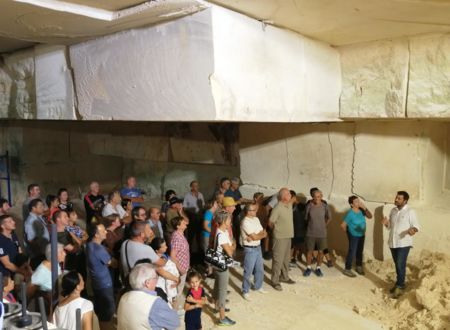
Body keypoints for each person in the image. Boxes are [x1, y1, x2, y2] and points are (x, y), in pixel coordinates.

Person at [117, 263, 180, 330]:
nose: (157, 280)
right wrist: (174, 308)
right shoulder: (155, 303)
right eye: (156, 277)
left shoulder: (124, 296)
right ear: (147, 283)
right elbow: (175, 323)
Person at [382, 191, 419, 299]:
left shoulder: (410, 211)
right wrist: (386, 223)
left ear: (405, 200)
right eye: (396, 197)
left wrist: (413, 230)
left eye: (399, 198)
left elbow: (416, 225)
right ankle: (399, 283)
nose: (396, 199)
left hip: (404, 243)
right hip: (393, 242)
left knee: (399, 263)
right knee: (397, 264)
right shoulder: (393, 211)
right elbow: (390, 227)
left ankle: (400, 286)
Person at [86, 222, 116, 330]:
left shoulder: (89, 245)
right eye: (103, 231)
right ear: (96, 235)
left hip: (96, 283)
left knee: (100, 311)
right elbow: (113, 263)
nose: (106, 232)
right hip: (104, 284)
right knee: (107, 313)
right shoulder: (99, 249)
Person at [268, 188, 295, 291]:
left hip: (288, 236)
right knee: (278, 260)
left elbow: (293, 200)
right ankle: (275, 281)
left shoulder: (289, 205)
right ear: (283, 197)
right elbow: (270, 222)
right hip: (279, 237)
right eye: (288, 193)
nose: (290, 195)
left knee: (286, 259)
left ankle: (284, 277)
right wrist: (276, 230)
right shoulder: (277, 208)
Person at [212, 211, 236, 326]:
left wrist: (231, 244)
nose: (230, 221)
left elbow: (230, 245)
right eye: (229, 220)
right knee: (222, 291)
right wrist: (233, 245)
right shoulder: (222, 235)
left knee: (217, 286)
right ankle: (222, 317)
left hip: (217, 263)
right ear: (223, 221)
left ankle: (216, 307)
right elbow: (230, 251)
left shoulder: (223, 231)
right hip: (222, 265)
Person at [240, 203, 267, 300]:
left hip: (258, 247)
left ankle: (258, 286)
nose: (256, 211)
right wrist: (260, 236)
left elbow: (261, 233)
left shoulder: (256, 219)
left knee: (260, 269)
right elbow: (257, 236)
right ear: (248, 212)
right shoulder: (245, 222)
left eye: (255, 209)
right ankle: (245, 290)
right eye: (254, 210)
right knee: (248, 271)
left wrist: (257, 236)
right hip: (249, 249)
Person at [341, 196, 373, 277]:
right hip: (354, 235)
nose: (358, 202)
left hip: (361, 234)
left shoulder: (362, 210)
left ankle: (358, 266)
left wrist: (365, 208)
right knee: (352, 251)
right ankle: (347, 269)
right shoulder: (350, 213)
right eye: (356, 202)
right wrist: (349, 233)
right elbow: (343, 225)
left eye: (358, 201)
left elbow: (370, 216)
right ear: (352, 204)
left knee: (359, 250)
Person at [303, 189, 331, 277]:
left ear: (321, 197)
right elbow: (306, 218)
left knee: (321, 251)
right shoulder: (309, 206)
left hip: (322, 234)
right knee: (309, 251)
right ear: (312, 197)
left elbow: (329, 218)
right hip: (310, 233)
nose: (316, 199)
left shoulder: (325, 206)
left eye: (318, 197)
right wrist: (311, 225)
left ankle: (318, 268)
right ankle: (308, 268)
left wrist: (324, 225)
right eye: (315, 197)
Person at [150, 237, 179, 306]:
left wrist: (178, 279)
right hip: (161, 289)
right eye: (163, 246)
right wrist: (176, 279)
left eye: (165, 245)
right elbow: (163, 273)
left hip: (171, 284)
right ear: (157, 250)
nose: (166, 247)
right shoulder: (154, 260)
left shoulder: (164, 256)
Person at [170, 216, 190, 312]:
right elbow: (173, 256)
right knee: (177, 291)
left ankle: (176, 309)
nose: (185, 223)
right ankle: (174, 312)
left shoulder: (180, 234)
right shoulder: (177, 237)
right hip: (179, 269)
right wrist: (180, 269)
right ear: (178, 226)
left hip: (183, 266)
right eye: (183, 222)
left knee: (179, 290)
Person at [24, 199, 49, 267]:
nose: (43, 208)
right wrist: (41, 251)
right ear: (33, 208)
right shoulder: (31, 221)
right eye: (40, 206)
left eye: (43, 206)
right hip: (38, 254)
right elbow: (30, 240)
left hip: (43, 251)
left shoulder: (38, 217)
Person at [202, 200, 218, 277]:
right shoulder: (208, 213)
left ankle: (208, 269)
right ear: (213, 204)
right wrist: (213, 233)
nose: (217, 204)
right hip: (207, 236)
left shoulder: (211, 213)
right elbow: (205, 226)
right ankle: (210, 272)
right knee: (208, 252)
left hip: (209, 235)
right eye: (216, 203)